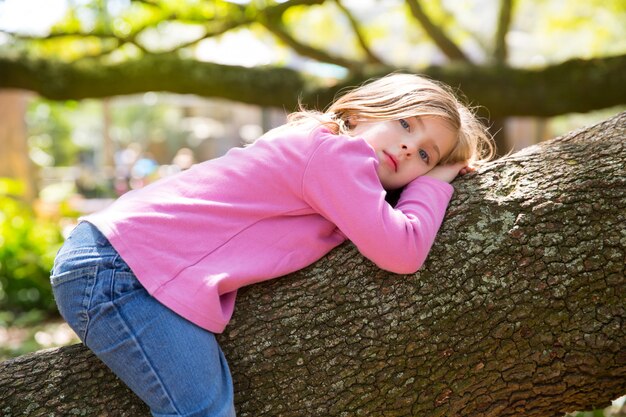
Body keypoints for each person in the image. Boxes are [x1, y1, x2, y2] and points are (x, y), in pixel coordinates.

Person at [50, 73, 494, 417]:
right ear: (361, 111)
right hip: (118, 273)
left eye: (425, 155)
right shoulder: (335, 157)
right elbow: (403, 250)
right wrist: (438, 181)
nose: (407, 145)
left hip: (123, 264)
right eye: (404, 123)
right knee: (201, 409)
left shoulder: (328, 158)